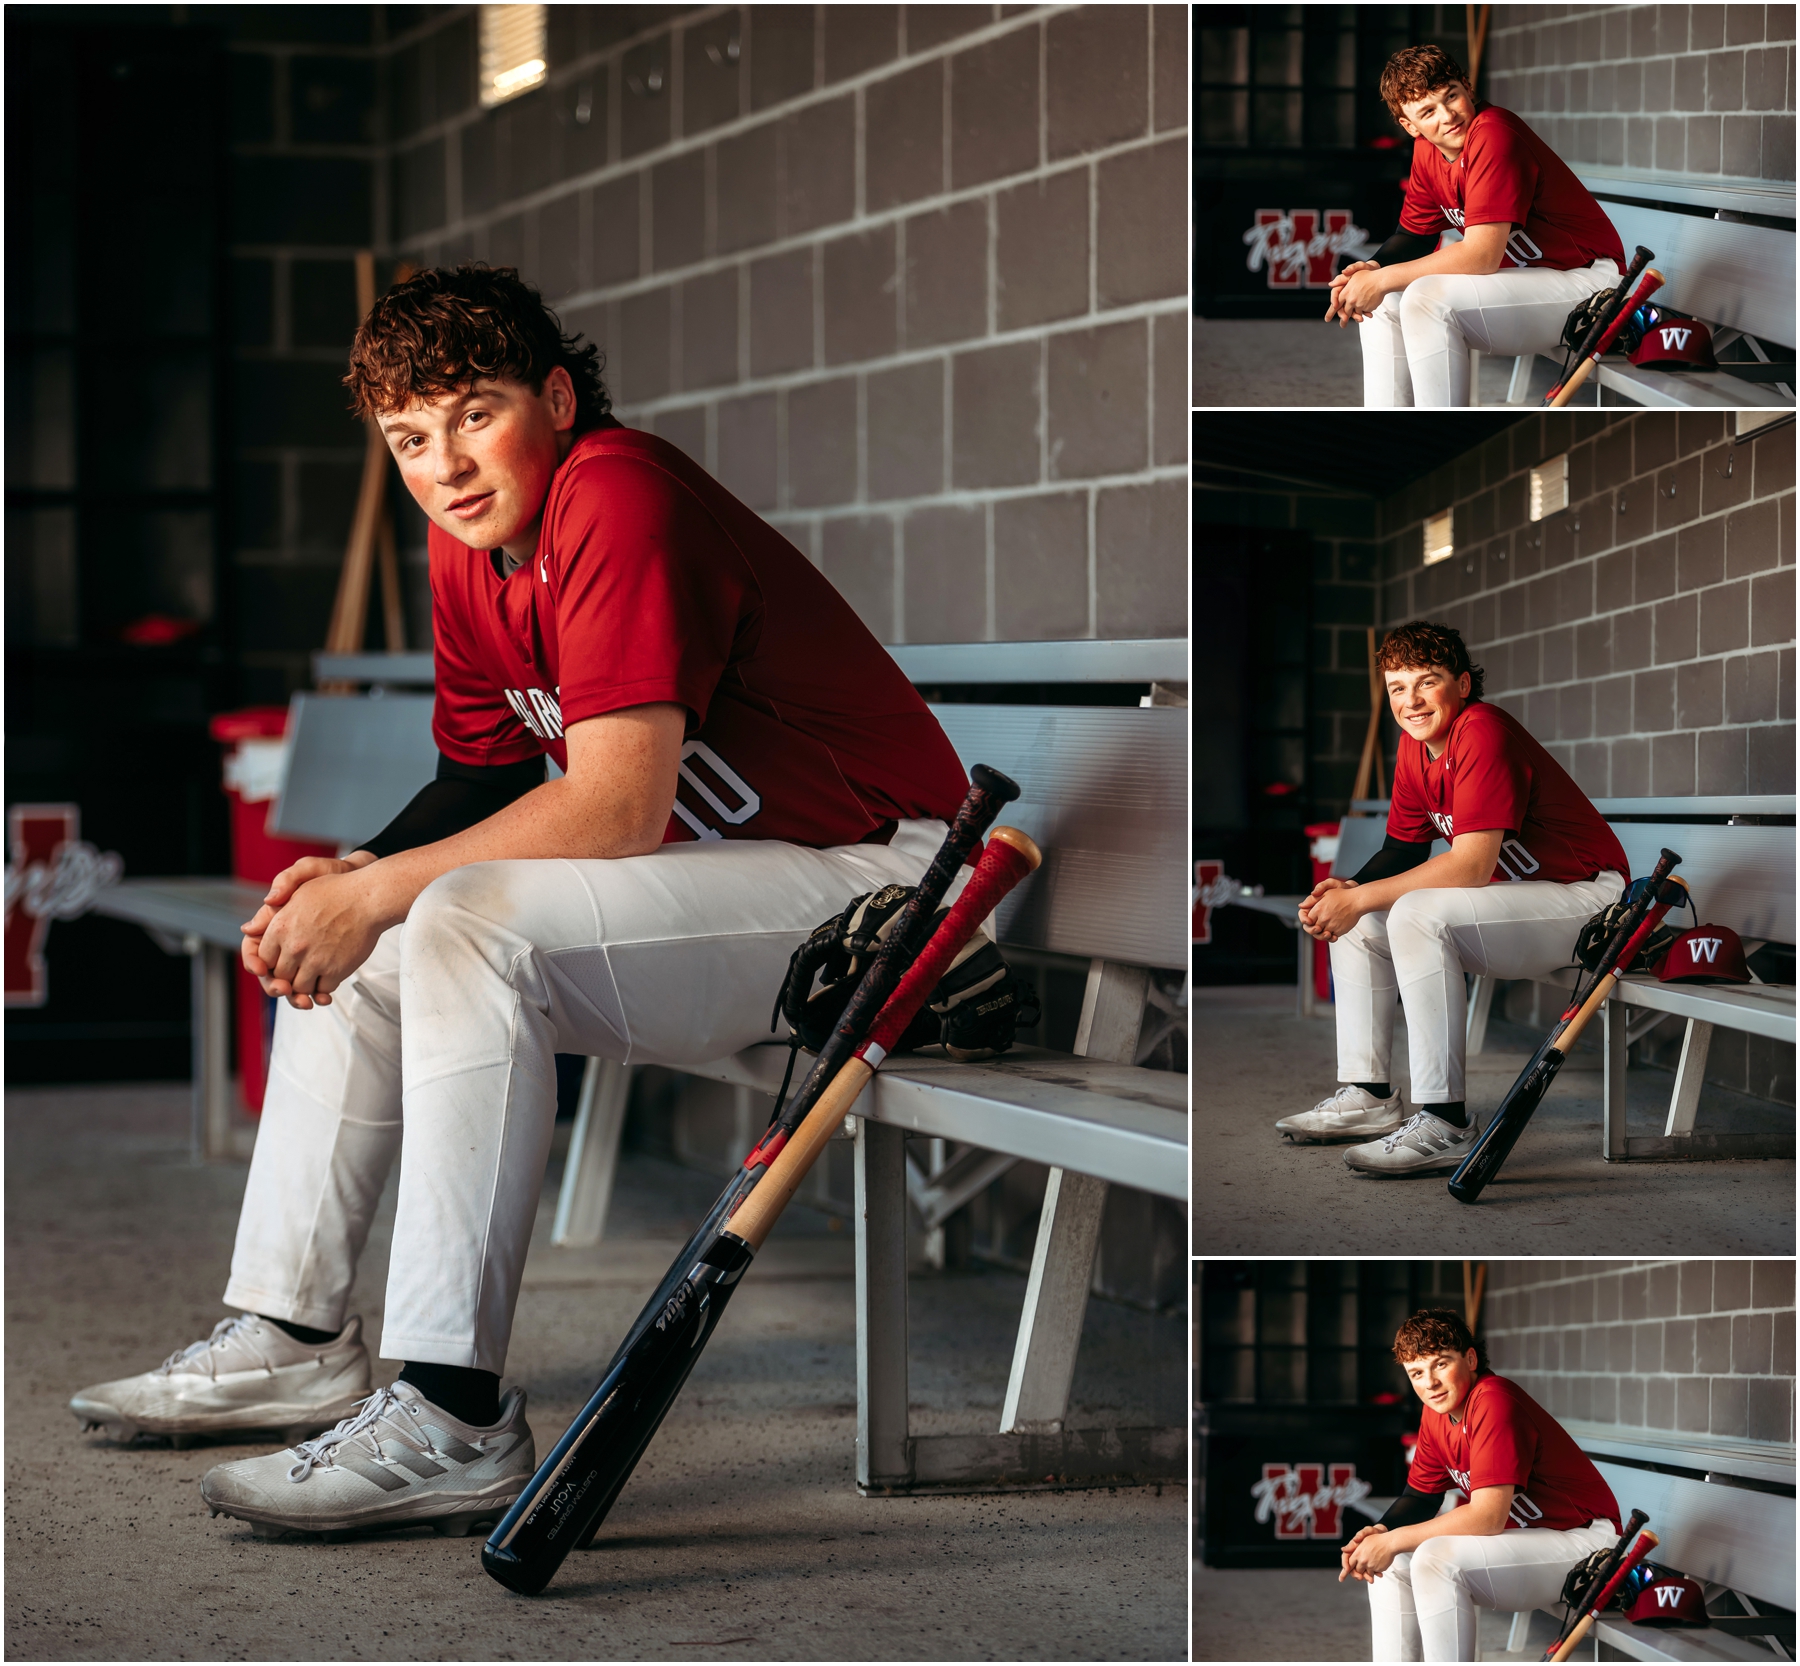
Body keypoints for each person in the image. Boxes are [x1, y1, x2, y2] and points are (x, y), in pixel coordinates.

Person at [69, 264, 970, 1539]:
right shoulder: (468, 542)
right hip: (737, 891)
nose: (445, 462)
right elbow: (479, 773)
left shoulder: (619, 490)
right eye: (409, 438)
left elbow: (615, 807)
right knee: (374, 926)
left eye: (475, 412)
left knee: (452, 919)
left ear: (555, 397)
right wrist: (349, 878)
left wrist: (383, 886)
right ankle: (291, 1332)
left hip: (890, 886)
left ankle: (453, 1412)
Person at [1277, 620, 1628, 1175]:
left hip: (1589, 900)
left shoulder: (1481, 730)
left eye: (1427, 681)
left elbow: (1471, 864)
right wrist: (1349, 890)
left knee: (1413, 912)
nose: (1411, 700)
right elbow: (1402, 846)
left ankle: (1445, 1122)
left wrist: (1363, 894)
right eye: (1397, 687)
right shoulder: (1416, 748)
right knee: (1362, 920)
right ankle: (1368, 1096)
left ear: (1463, 684)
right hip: (1518, 902)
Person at [1324, 45, 1626, 408]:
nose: (1448, 115)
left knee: (1426, 300)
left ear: (1466, 87)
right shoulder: (1427, 150)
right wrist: (1371, 270)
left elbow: (1482, 255)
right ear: (1409, 125)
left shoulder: (1495, 133)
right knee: (1385, 300)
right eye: (1428, 111)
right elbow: (1414, 235)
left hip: (1589, 284)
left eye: (1451, 96)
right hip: (1529, 281)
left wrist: (1382, 278)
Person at [1341, 1309, 1622, 1663]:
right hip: (1530, 1541)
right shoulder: (1437, 1413)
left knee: (1434, 1559)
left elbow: (1487, 1516)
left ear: (1470, 1358)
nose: (1430, 1383)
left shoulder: (1494, 1400)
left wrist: (1394, 1539)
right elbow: (1420, 1496)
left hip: (1587, 1541)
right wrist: (1380, 1533)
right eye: (1417, 1373)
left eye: (1441, 1364)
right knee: (1394, 1561)